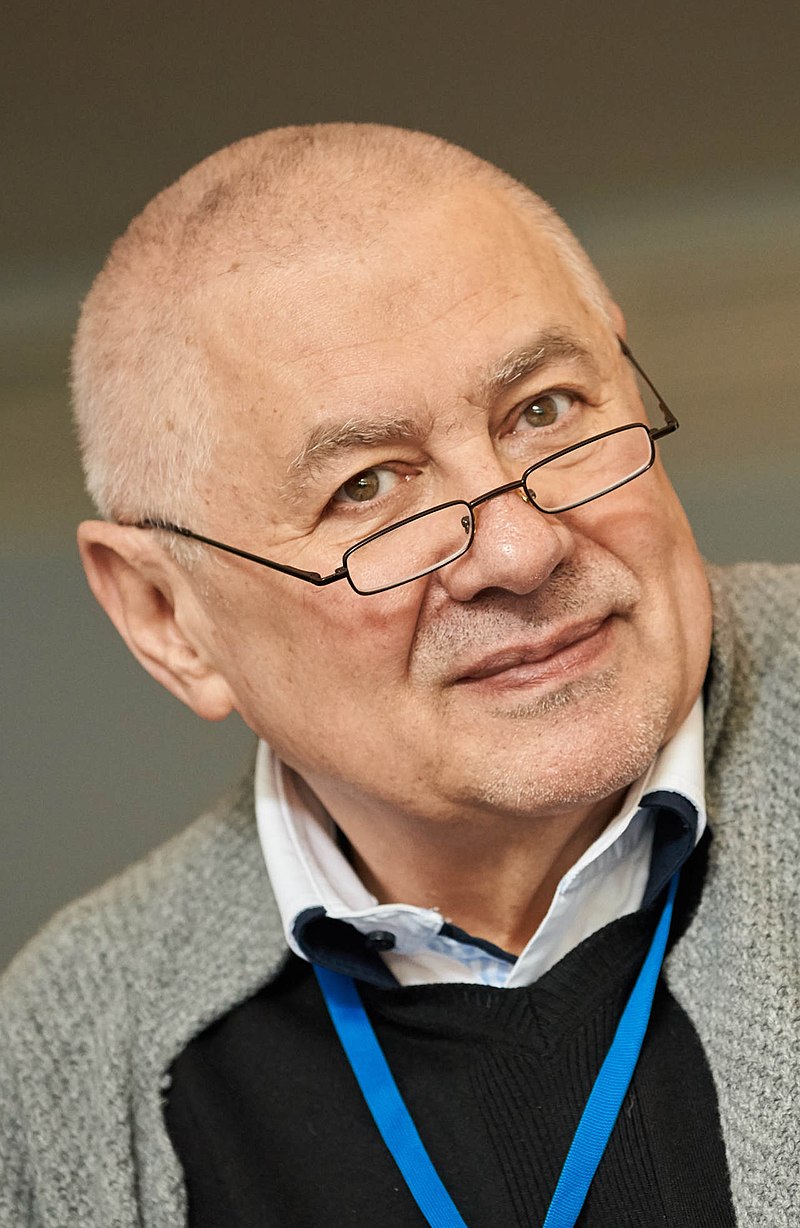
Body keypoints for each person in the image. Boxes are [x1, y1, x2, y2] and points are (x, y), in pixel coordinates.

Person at [0, 124, 797, 1228]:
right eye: (369, 487)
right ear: (166, 616)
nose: (519, 549)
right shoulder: (61, 1067)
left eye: (546, 410)